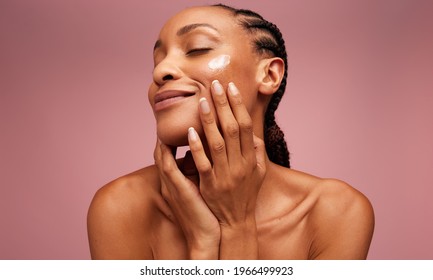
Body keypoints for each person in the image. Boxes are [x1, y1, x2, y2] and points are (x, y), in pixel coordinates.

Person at [87, 4, 374, 260]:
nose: (160, 71)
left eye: (197, 48)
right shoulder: (121, 207)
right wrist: (204, 243)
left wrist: (237, 226)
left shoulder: (335, 212)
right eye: (157, 60)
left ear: (269, 75)